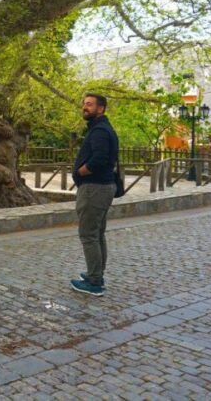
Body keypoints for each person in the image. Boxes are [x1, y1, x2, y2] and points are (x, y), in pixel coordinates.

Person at [70, 93, 119, 296]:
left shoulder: (99, 131)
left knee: (88, 234)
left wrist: (80, 172)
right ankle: (96, 274)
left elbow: (99, 159)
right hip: (102, 187)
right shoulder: (103, 129)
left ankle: (94, 282)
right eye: (84, 104)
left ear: (101, 109)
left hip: (94, 188)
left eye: (90, 104)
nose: (85, 107)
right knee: (97, 233)